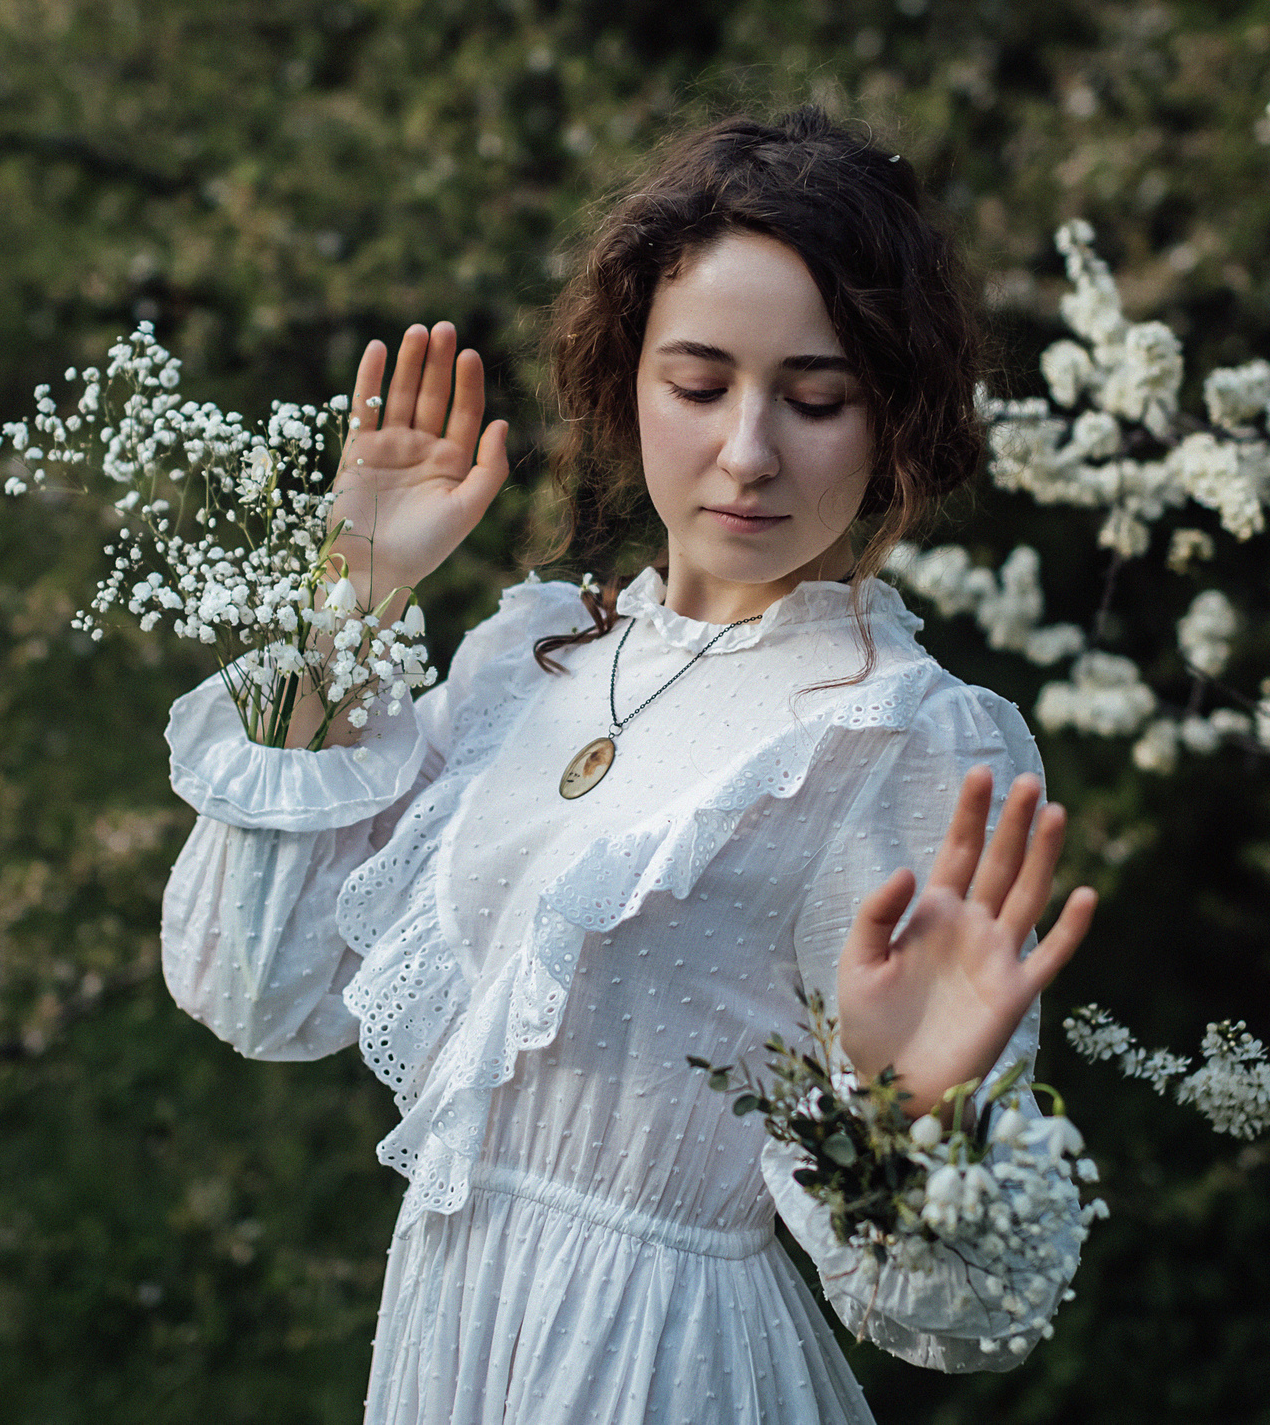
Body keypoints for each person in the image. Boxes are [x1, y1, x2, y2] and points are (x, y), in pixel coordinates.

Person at [160, 107, 1099, 1425]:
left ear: (893, 417)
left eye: (817, 397)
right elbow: (262, 989)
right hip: (450, 1353)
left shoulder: (902, 735)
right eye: (700, 385)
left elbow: (969, 1316)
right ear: (628, 381)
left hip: (668, 1369)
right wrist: (345, 602)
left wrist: (913, 1120)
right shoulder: (527, 660)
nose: (749, 450)